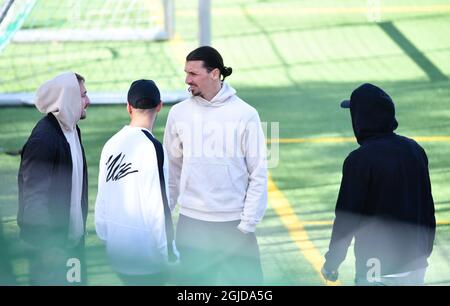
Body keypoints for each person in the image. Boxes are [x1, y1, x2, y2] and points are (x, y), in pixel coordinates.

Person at [163, 46, 268, 285]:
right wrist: (165, 214)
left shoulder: (246, 114)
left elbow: (258, 173)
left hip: (234, 225)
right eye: (186, 73)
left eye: (193, 73)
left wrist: (246, 225)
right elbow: (172, 169)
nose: (187, 80)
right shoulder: (178, 113)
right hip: (191, 224)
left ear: (214, 74)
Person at [321, 83, 436, 286]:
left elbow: (347, 219)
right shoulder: (415, 150)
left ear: (360, 119)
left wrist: (332, 263)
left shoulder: (359, 161)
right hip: (416, 265)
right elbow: (428, 208)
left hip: (376, 270)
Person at [95, 79, 177, 286]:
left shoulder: (111, 144)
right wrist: (170, 254)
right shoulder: (153, 148)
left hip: (117, 252)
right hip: (146, 259)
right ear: (159, 106)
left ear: (128, 107)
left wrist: (106, 236)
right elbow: (158, 207)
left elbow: (102, 198)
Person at [17, 72, 90, 285]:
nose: (88, 101)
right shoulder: (44, 139)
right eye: (83, 95)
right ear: (68, 98)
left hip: (71, 247)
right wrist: (49, 247)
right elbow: (34, 199)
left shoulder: (72, 129)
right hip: (51, 252)